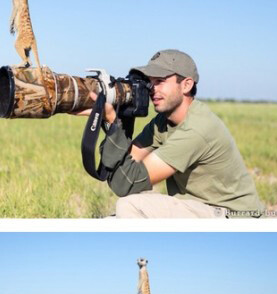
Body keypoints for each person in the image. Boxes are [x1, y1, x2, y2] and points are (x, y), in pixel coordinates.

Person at [94, 48, 264, 221]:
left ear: (186, 85)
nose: (151, 89)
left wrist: (114, 123)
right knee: (110, 221)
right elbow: (120, 169)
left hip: (233, 215)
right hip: (199, 208)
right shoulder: (162, 122)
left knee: (129, 206)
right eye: (149, 82)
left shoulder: (197, 128)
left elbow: (127, 183)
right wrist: (118, 116)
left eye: (160, 81)